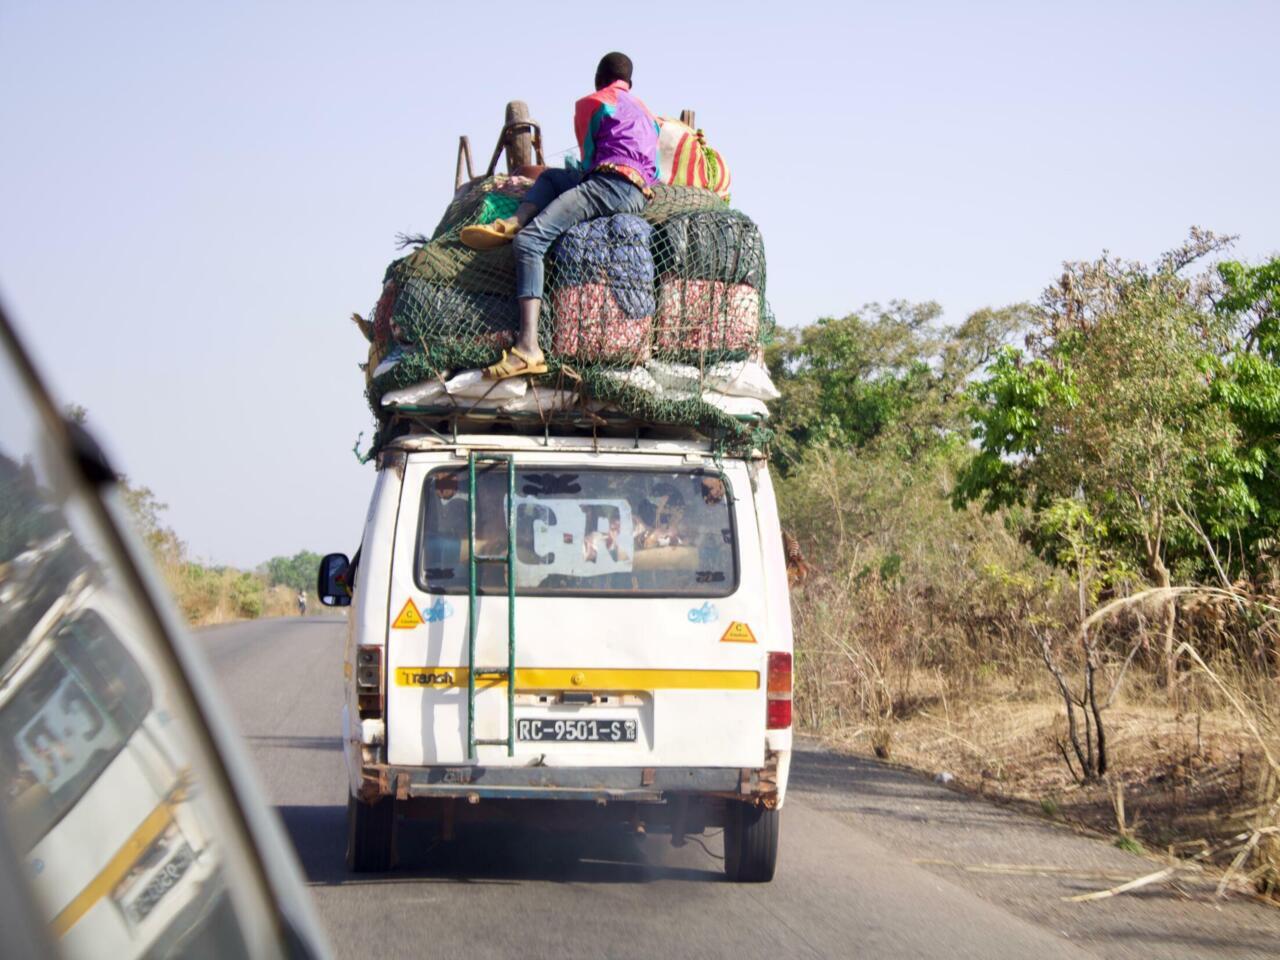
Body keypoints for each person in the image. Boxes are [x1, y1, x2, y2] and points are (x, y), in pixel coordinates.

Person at [460, 52, 660, 379]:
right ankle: (514, 221)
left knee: (529, 243)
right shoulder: (649, 115)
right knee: (551, 178)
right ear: (630, 83)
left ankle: (528, 349)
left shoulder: (593, 101)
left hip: (607, 185)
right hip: (638, 194)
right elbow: (654, 171)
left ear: (598, 77)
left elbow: (588, 159)